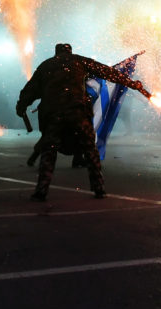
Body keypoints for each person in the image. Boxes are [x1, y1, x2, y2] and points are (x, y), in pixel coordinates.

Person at [15, 43, 145, 201]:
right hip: (78, 112)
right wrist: (132, 84)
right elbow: (108, 72)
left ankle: (41, 190)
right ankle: (99, 188)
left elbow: (30, 90)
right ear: (70, 52)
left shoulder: (46, 66)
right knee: (90, 149)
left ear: (56, 53)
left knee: (49, 151)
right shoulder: (79, 61)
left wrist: (21, 106)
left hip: (54, 114)